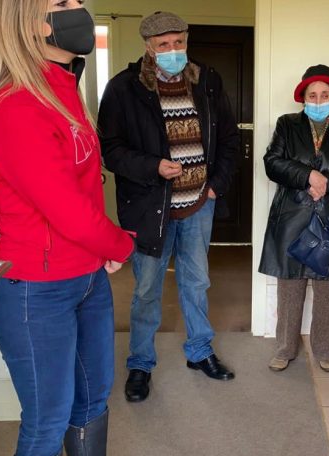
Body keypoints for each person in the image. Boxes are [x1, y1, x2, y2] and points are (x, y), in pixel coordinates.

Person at [0, 1, 135, 456]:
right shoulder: (14, 107)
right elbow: (68, 212)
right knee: (48, 419)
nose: (79, 9)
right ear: (29, 22)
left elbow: (84, 191)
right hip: (35, 290)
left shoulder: (63, 89)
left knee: (92, 400)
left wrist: (100, 252)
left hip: (87, 278)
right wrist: (120, 244)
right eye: (63, 3)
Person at [98, 11, 240, 403]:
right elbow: (110, 149)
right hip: (149, 207)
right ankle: (140, 363)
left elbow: (229, 139)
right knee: (147, 289)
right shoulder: (123, 88)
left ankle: (200, 351)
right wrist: (153, 167)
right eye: (164, 44)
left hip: (198, 204)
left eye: (179, 42)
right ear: (148, 46)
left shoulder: (207, 81)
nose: (173, 50)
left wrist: (216, 185)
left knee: (196, 282)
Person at [259, 65, 329, 373]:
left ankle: (326, 350)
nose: (318, 100)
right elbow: (272, 162)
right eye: (312, 95)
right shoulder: (287, 125)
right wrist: (307, 175)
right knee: (290, 288)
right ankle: (284, 349)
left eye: (324, 94)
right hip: (292, 217)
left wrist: (328, 182)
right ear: (303, 98)